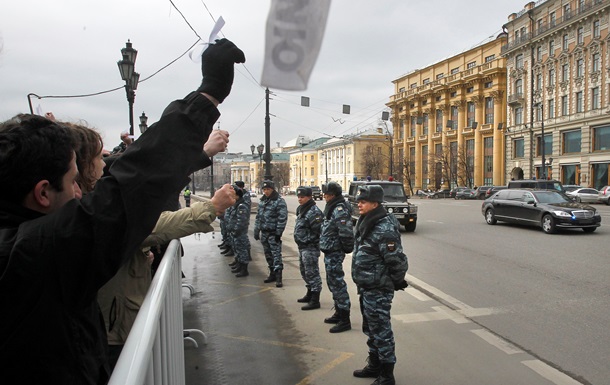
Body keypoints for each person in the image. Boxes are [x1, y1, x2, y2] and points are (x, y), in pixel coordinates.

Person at [0, 37, 245, 384]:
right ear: (42, 193)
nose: (81, 192)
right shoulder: (30, 255)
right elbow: (132, 186)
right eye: (73, 181)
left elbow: (129, 178)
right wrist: (209, 94)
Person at [351, 185, 408, 385]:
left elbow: (396, 259)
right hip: (367, 285)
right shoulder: (367, 220)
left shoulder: (384, 227)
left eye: (363, 201)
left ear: (375, 204)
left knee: (381, 331)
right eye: (359, 201)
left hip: (378, 287)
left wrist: (398, 280)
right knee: (371, 328)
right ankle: (374, 365)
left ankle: (386, 375)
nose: (359, 204)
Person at [320, 181, 354, 333]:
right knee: (332, 282)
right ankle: (338, 313)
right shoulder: (333, 206)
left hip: (335, 251)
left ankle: (345, 319)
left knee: (337, 283)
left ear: (332, 195)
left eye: (326, 194)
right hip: (330, 250)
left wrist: (345, 248)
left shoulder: (339, 209)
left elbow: (345, 231)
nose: (324, 196)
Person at [293, 186, 324, 310]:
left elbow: (319, 230)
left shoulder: (314, 212)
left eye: (302, 197)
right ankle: (310, 293)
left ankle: (315, 299)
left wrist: (312, 241)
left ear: (309, 197)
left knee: (312, 273)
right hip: (302, 246)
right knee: (304, 271)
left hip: (310, 247)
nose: (300, 199)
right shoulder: (301, 209)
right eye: (299, 197)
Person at [253, 180, 288, 287]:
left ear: (272, 189)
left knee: (276, 255)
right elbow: (259, 217)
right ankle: (272, 273)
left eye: (268, 189)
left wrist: (278, 233)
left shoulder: (279, 201)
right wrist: (256, 230)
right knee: (268, 255)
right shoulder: (263, 201)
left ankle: (278, 277)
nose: (266, 191)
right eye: (264, 189)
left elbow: (282, 218)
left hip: (273, 233)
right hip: (264, 233)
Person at [226, 185, 252, 277]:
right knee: (237, 249)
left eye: (233, 195)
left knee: (242, 250)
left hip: (240, 233)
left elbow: (241, 221)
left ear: (238, 195)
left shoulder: (241, 206)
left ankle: (244, 269)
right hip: (235, 232)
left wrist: (236, 230)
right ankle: (239, 265)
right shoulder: (236, 204)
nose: (232, 196)